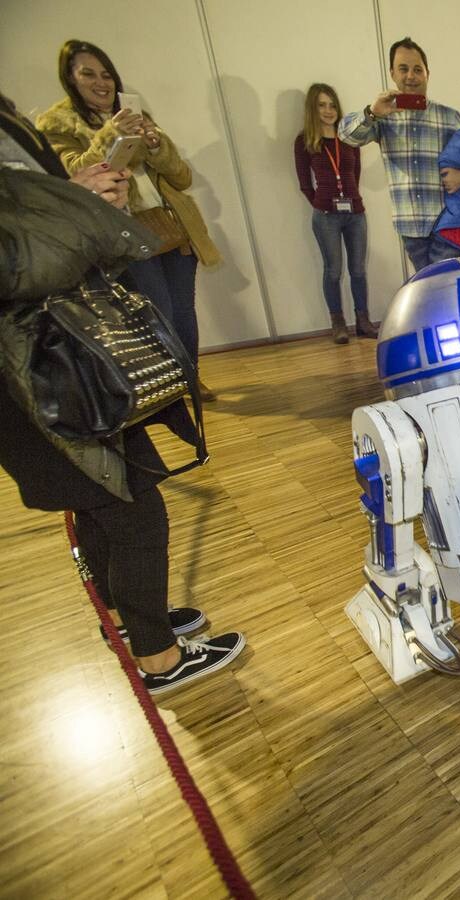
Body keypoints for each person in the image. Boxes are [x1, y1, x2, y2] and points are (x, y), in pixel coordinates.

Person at [0, 91, 246, 697]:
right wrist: (76, 207)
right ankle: (160, 658)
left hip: (50, 359)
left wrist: (73, 199)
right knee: (136, 506)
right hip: (38, 367)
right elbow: (18, 257)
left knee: (96, 500)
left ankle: (135, 621)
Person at [37, 39, 222, 400]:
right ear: (70, 79)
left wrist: (154, 144)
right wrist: (112, 135)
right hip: (126, 232)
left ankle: (191, 377)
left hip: (171, 226)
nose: (101, 82)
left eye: (106, 74)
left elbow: (181, 178)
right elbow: (74, 175)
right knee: (157, 312)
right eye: (88, 73)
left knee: (183, 310)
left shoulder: (134, 112)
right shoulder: (59, 124)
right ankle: (169, 382)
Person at [339, 36, 460, 273]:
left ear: (427, 74)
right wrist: (372, 113)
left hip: (448, 222)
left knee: (443, 287)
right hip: (410, 227)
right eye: (403, 69)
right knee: (426, 289)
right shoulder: (382, 117)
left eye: (417, 69)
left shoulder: (449, 117)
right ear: (392, 73)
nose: (410, 76)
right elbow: (346, 135)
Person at [294, 83, 372, 344]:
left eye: (332, 105)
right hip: (326, 215)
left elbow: (355, 174)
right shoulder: (304, 141)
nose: (328, 110)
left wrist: (350, 198)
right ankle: (338, 323)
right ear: (312, 109)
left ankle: (363, 321)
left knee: (358, 270)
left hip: (355, 213)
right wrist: (321, 202)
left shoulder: (350, 138)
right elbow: (305, 183)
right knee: (333, 271)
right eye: (321, 105)